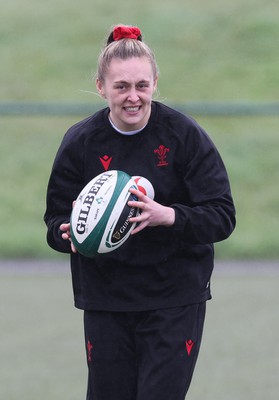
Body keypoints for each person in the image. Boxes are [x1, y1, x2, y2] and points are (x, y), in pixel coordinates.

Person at [44, 24, 236, 400]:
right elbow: (53, 222)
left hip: (174, 298)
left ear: (155, 83)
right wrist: (68, 233)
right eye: (121, 87)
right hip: (106, 300)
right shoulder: (81, 142)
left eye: (142, 86)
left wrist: (168, 216)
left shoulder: (183, 135)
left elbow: (223, 215)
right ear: (101, 86)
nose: (133, 97)